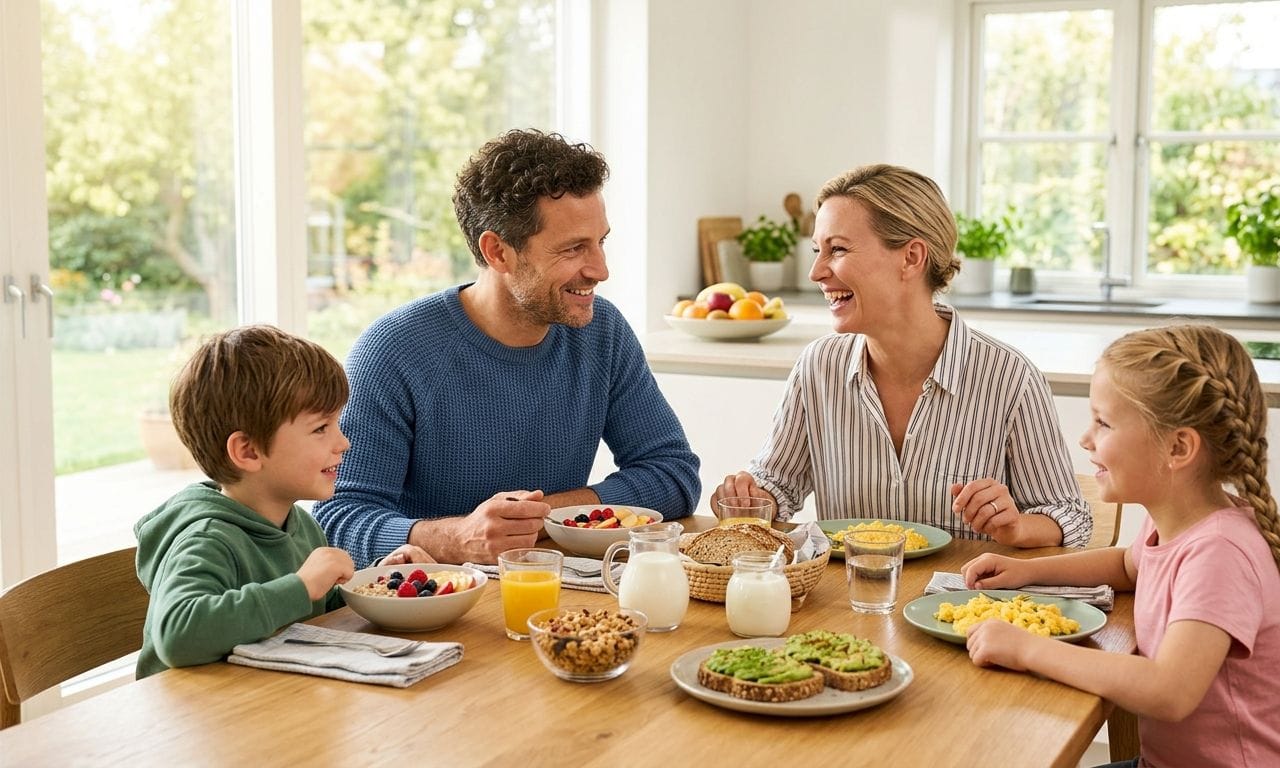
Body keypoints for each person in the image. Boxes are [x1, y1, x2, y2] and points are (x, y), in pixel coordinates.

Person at [315, 129, 700, 566]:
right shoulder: (394, 351)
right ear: (498, 252)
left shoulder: (602, 332)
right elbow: (339, 519)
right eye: (574, 248)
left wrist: (541, 515)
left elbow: (673, 473)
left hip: (555, 589)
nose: (600, 269)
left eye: (601, 242)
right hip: (432, 606)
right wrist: (458, 537)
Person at [961, 324, 1280, 767]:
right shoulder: (1176, 519)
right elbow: (1129, 567)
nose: (1086, 439)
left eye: (1103, 422)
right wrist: (1028, 571)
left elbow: (1168, 691)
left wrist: (1026, 649)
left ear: (1178, 447)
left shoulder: (1220, 552)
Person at [712, 164, 1090, 547]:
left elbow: (1068, 515)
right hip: (846, 601)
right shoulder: (819, 366)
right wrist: (751, 498)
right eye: (817, 250)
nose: (815, 272)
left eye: (837, 249)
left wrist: (1017, 526)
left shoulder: (1009, 377)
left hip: (957, 602)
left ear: (910, 257)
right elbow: (777, 484)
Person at [135, 325, 432, 678]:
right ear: (248, 452)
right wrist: (302, 585)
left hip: (272, 703)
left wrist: (380, 577)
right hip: (194, 723)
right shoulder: (207, 539)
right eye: (321, 428)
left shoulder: (301, 525)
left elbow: (310, 610)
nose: (343, 443)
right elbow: (178, 635)